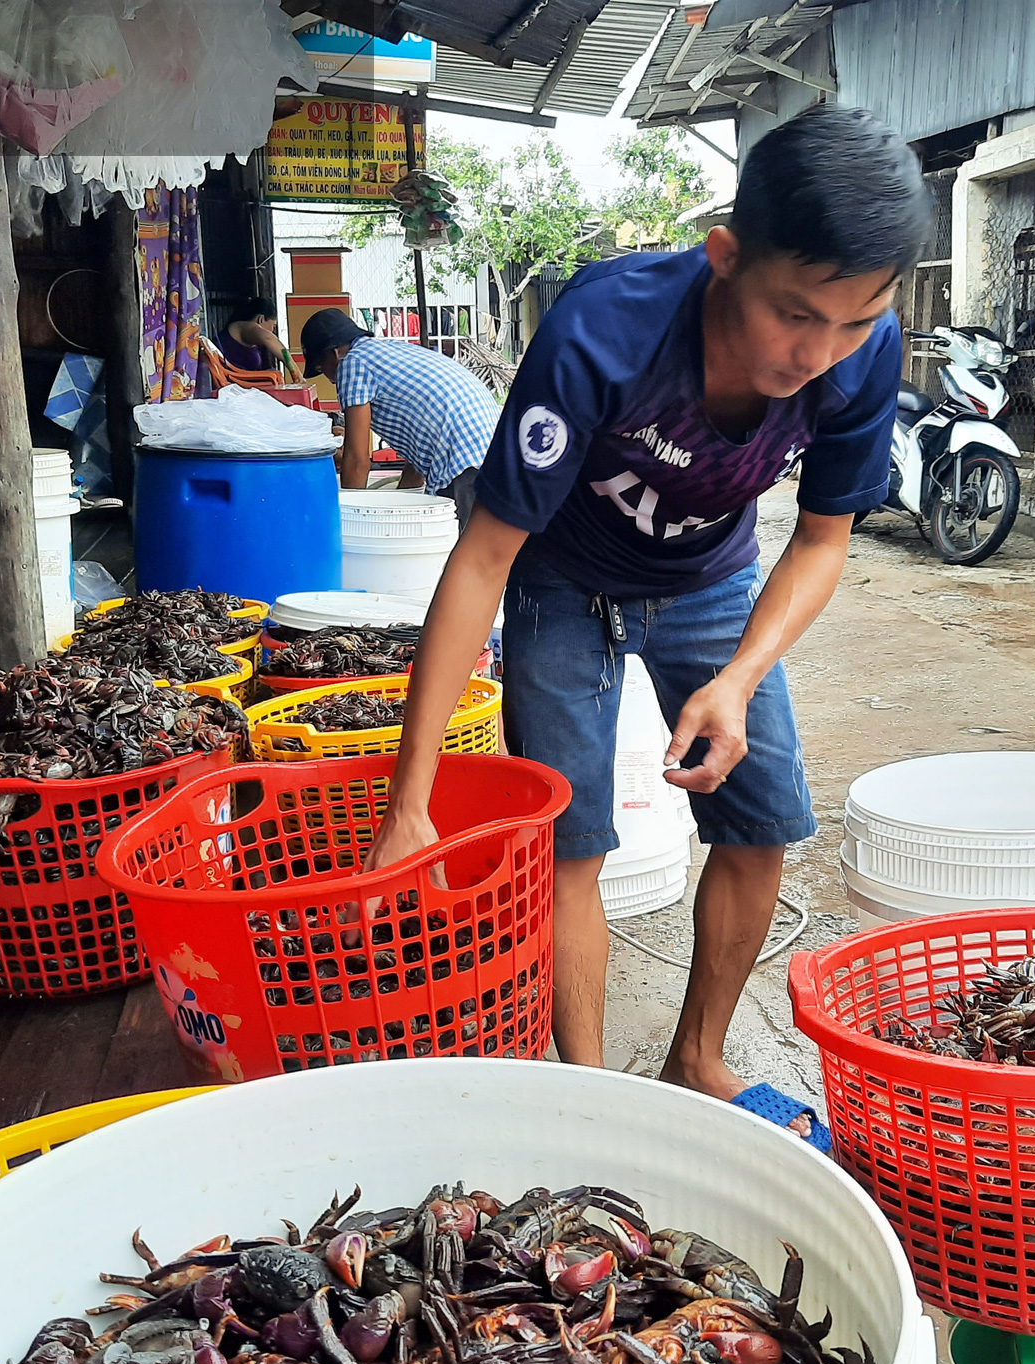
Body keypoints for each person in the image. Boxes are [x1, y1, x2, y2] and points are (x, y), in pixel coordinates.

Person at [361, 105, 930, 1148]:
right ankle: (597, 1102)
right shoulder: (603, 328)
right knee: (570, 847)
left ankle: (695, 1055)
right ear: (724, 260)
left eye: (854, 321)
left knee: (761, 828)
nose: (819, 352)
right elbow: (483, 555)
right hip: (557, 581)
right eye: (794, 315)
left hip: (712, 583)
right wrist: (413, 798)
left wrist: (739, 677)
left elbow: (820, 541)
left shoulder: (860, 354)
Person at [299, 307, 501, 531]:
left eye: (320, 366)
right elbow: (416, 461)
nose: (327, 378)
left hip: (463, 459)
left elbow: (357, 459)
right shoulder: (388, 350)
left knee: (464, 559)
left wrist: (348, 523)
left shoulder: (352, 363)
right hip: (489, 447)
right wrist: (402, 499)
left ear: (335, 352)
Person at [218, 296, 300, 380]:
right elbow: (268, 338)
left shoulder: (247, 335)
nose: (272, 331)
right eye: (273, 326)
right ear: (261, 319)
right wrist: (296, 372)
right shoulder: (246, 328)